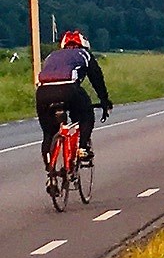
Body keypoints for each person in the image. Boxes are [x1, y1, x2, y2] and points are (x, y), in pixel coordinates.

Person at [36, 30, 112, 164]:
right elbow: (96, 78)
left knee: (48, 133)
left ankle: (50, 171)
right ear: (84, 44)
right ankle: (82, 148)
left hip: (43, 91)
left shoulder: (52, 55)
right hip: (68, 89)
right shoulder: (85, 54)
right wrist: (104, 100)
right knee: (86, 114)